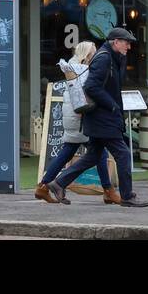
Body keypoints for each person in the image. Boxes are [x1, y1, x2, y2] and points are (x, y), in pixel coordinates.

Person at [44, 28, 148, 207]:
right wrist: (112, 104)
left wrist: (121, 60)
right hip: (103, 119)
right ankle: (127, 196)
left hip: (100, 119)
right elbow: (91, 87)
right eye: (126, 42)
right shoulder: (104, 58)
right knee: (123, 154)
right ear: (115, 42)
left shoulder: (110, 57)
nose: (129, 46)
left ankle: (59, 183)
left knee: (93, 156)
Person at [35, 41, 114, 204]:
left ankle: (43, 187)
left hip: (74, 119)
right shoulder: (82, 70)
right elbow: (89, 93)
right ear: (86, 56)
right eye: (93, 53)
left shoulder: (72, 69)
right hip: (81, 120)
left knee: (69, 152)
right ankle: (108, 190)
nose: (96, 55)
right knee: (99, 152)